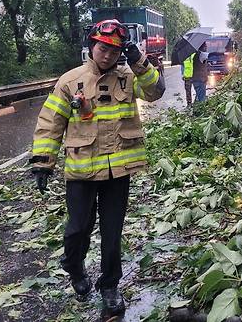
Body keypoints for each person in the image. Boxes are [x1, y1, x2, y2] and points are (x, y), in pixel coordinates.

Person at [29, 19, 165, 317]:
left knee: (112, 233)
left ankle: (110, 286)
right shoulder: (70, 81)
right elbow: (50, 123)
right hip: (82, 172)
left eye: (114, 50)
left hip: (118, 172)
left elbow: (155, 92)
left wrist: (139, 61)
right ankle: (74, 267)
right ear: (93, 46)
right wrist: (43, 162)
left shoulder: (129, 78)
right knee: (78, 230)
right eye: (103, 48)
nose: (108, 55)